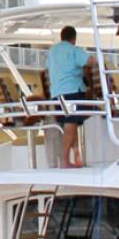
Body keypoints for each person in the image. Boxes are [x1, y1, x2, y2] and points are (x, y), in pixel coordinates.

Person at [43, 25, 98, 168]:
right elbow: (90, 61)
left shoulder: (52, 51)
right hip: (72, 90)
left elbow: (48, 66)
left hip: (56, 93)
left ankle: (76, 154)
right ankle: (65, 161)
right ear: (74, 38)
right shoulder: (74, 50)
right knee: (71, 124)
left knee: (69, 124)